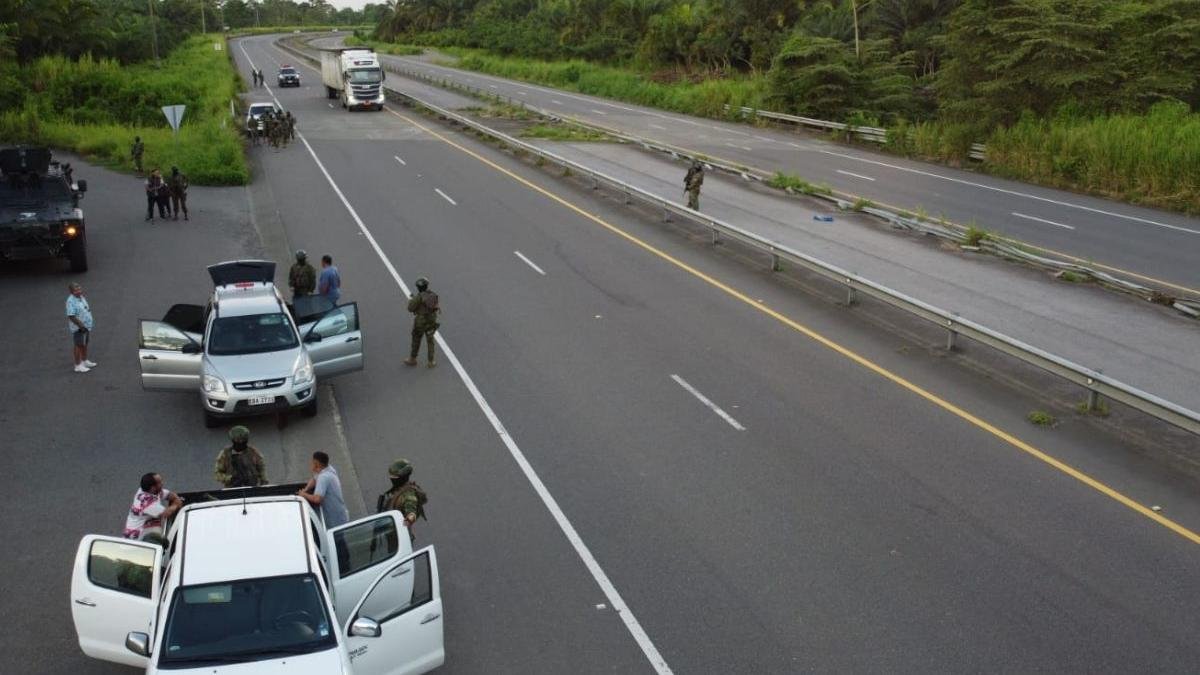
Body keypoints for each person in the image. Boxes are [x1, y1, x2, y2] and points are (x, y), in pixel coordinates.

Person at [377, 459, 428, 542]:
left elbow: (411, 512)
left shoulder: (409, 495)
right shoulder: (397, 489)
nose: (391, 480)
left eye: (394, 478)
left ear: (401, 478)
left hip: (399, 536)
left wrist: (405, 523)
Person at [123, 472, 183, 540]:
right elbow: (167, 513)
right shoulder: (147, 504)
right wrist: (176, 504)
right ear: (153, 488)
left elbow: (168, 494)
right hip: (136, 537)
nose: (162, 483)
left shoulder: (147, 490)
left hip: (145, 524)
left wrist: (176, 499)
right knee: (161, 540)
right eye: (160, 482)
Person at [299, 451, 349, 528]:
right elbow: (314, 479)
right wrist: (306, 489)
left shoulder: (324, 478)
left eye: (313, 462)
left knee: (338, 539)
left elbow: (317, 499)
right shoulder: (328, 468)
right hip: (340, 515)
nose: (311, 463)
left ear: (317, 464)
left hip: (335, 521)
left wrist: (303, 495)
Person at [404, 277, 439, 368]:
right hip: (431, 320)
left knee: (416, 338)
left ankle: (413, 359)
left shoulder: (418, 297)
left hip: (421, 321)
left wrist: (412, 300)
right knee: (430, 340)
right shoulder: (432, 295)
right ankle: (431, 361)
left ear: (418, 288)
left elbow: (410, 308)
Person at [66, 282, 96, 373]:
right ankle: (78, 365)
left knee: (84, 343)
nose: (79, 291)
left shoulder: (81, 297)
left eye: (79, 289)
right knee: (78, 345)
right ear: (71, 292)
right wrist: (80, 325)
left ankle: (84, 360)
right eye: (76, 290)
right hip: (79, 327)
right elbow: (71, 316)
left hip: (86, 325)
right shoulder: (70, 301)